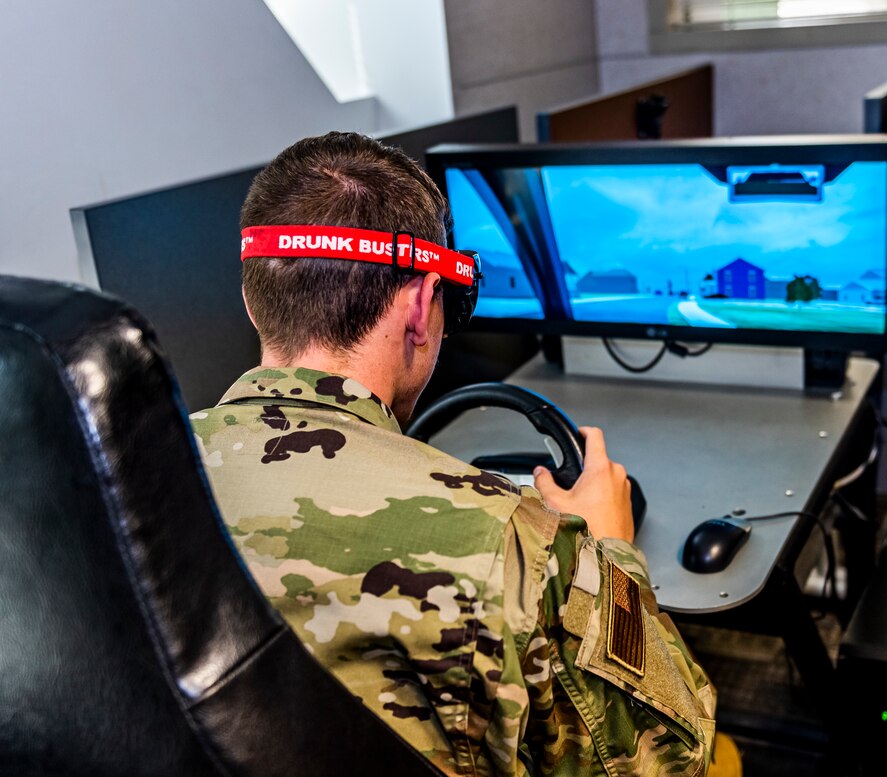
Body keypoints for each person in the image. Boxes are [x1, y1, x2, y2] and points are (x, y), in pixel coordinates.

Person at [191, 132, 732, 776]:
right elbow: (674, 762)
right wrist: (612, 550)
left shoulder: (125, 486)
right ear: (422, 306)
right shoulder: (511, 543)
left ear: (254, 301)